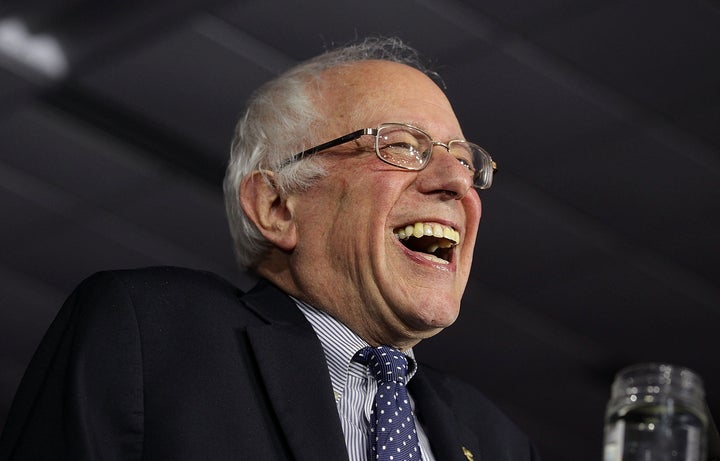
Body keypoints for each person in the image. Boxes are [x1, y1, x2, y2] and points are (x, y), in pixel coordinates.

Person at [0, 37, 539, 460]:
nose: (456, 182)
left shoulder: (498, 442)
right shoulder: (154, 336)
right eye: (402, 145)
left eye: (466, 161)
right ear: (276, 206)